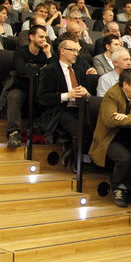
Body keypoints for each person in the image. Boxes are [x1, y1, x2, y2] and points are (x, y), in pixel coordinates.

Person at [89, 69, 131, 207]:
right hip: (108, 137)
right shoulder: (112, 94)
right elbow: (110, 121)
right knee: (125, 158)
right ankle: (117, 186)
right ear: (125, 85)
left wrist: (127, 118)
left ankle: (128, 186)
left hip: (129, 135)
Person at [37, 39, 89, 172]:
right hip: (59, 110)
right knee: (79, 129)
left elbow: (86, 91)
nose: (76, 54)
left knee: (95, 125)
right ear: (62, 51)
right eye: (73, 50)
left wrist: (86, 93)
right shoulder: (50, 70)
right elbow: (42, 98)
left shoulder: (78, 69)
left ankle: (72, 152)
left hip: (80, 108)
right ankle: (77, 163)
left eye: (77, 51)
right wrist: (67, 95)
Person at [4, 25, 53, 148]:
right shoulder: (21, 51)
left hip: (39, 88)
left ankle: (45, 131)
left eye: (45, 37)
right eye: (41, 36)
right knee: (13, 96)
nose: (44, 40)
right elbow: (21, 70)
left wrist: (48, 54)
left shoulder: (45, 53)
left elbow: (53, 72)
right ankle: (14, 133)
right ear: (31, 37)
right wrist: (41, 69)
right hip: (22, 87)